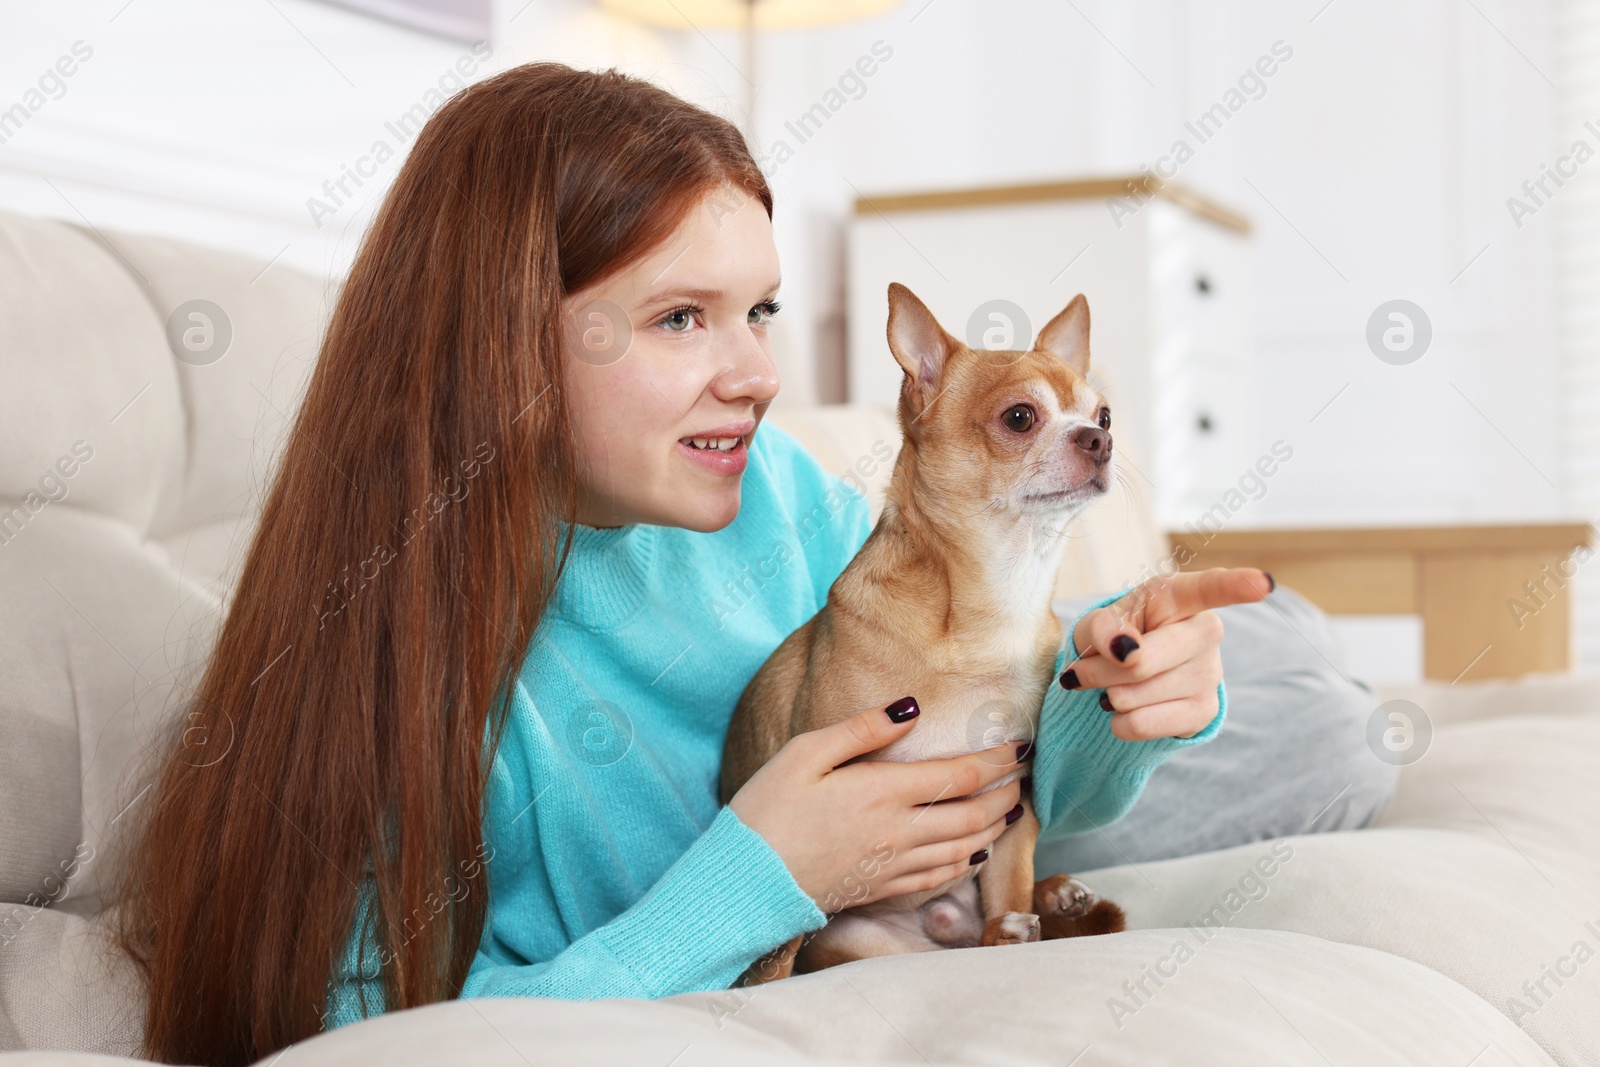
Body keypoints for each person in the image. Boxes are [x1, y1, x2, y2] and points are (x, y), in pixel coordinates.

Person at [111, 62, 1317, 1067]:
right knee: (1306, 685)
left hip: (947, 881)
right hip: (813, 946)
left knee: (1279, 657)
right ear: (503, 337)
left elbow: (987, 761)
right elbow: (371, 1039)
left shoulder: (779, 493)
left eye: (762, 312)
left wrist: (1111, 704)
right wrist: (762, 873)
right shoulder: (387, 659)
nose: (755, 374)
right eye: (682, 317)